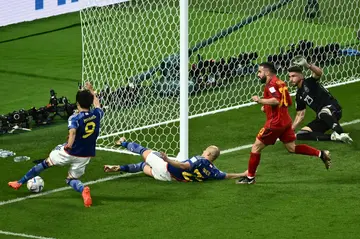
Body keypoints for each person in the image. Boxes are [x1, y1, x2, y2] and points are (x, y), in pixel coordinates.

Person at [8, 82, 104, 208]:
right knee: (70, 179)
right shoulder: (97, 114)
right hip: (86, 155)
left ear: (77, 103)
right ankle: (83, 190)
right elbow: (97, 104)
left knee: (46, 162)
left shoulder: (75, 118)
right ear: (90, 102)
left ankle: (19, 183)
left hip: (70, 152)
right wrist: (91, 90)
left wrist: (68, 145)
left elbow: (73, 132)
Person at [237, 62, 331, 185]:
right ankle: (321, 154)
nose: (258, 74)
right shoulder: (280, 83)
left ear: (267, 72)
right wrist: (267, 106)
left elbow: (276, 100)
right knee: (292, 148)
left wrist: (260, 100)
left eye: (259, 72)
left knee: (256, 147)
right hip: (285, 121)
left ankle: (250, 178)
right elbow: (287, 102)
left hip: (275, 123)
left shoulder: (270, 85)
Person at [104, 137, 248, 182]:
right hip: (167, 178)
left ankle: (122, 142)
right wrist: (243, 174)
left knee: (143, 151)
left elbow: (184, 166)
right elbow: (227, 175)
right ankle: (119, 168)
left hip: (166, 168)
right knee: (143, 166)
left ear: (209, 155)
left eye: (206, 150)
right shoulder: (213, 171)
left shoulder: (199, 160)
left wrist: (167, 160)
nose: (203, 151)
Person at [288, 57, 353, 143]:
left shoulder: (309, 82)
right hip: (322, 116)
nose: (291, 79)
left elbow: (319, 73)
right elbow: (300, 115)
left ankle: (341, 133)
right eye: (289, 77)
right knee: (301, 134)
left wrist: (307, 65)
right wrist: (291, 129)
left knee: (323, 112)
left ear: (301, 76)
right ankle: (334, 137)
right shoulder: (298, 96)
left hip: (333, 109)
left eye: (293, 76)